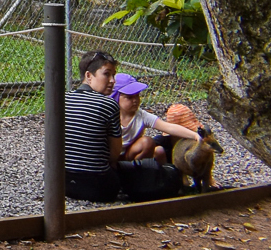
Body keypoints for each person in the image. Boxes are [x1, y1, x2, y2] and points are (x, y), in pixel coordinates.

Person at [63, 51, 184, 202]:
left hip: (63, 185)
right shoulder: (108, 105)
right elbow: (114, 154)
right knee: (165, 173)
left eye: (113, 75)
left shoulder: (63, 99)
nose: (112, 80)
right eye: (106, 74)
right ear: (89, 76)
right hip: (99, 188)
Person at [115, 73, 201, 163]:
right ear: (116, 97)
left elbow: (168, 127)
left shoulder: (141, 115)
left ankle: (134, 170)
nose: (135, 100)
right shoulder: (109, 115)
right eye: (129, 97)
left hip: (130, 154)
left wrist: (195, 135)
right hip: (110, 155)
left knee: (149, 144)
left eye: (137, 96)